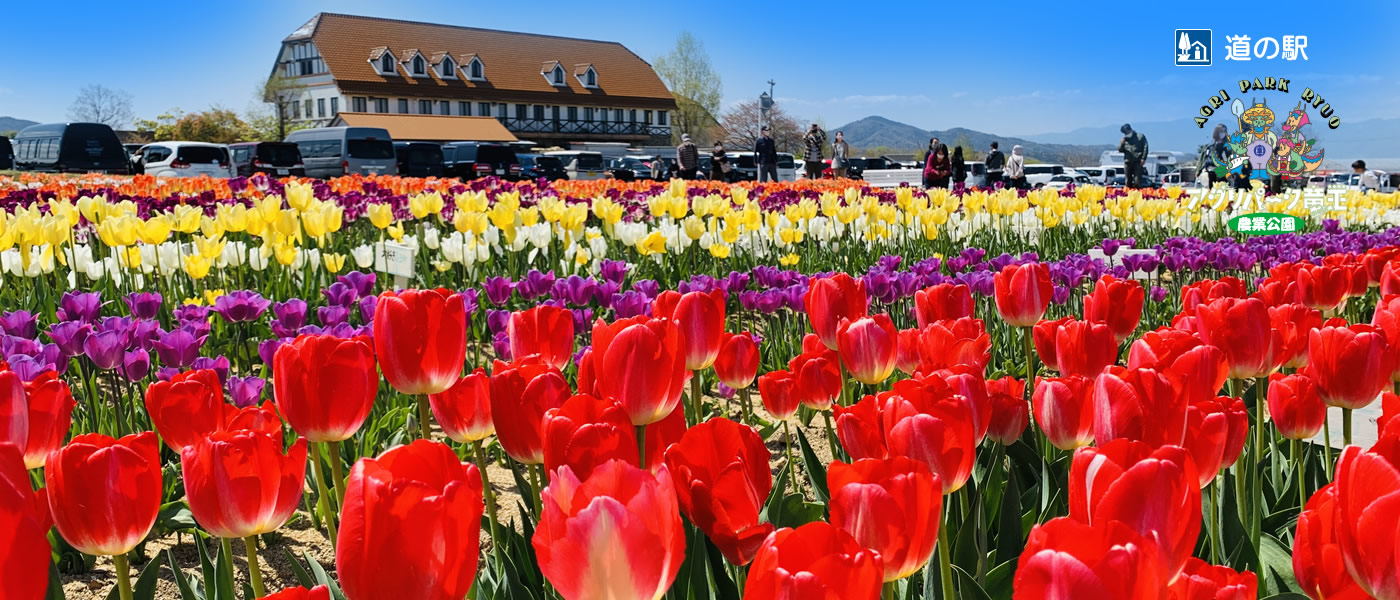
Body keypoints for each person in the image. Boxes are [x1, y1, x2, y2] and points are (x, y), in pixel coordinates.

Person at [1118, 123, 1149, 188]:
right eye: (1125, 133)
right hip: (1128, 161)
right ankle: (1128, 194)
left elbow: (1145, 147)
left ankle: (1137, 194)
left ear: (1130, 130)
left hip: (1138, 161)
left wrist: (1143, 158)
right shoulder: (1124, 139)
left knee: (1137, 180)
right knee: (1128, 180)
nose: (1126, 134)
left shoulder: (1140, 136)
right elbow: (1120, 150)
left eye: (1127, 132)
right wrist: (1121, 144)